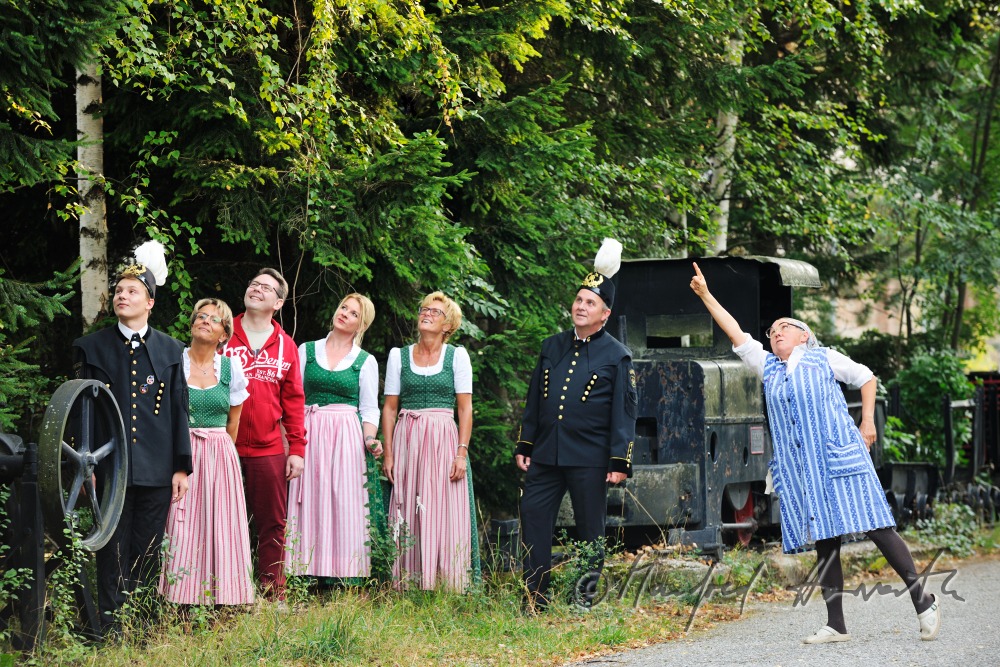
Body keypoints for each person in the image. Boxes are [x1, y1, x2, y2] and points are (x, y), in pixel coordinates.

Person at [688, 261, 942, 643]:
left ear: (805, 335)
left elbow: (866, 377)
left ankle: (924, 600)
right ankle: (836, 624)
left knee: (877, 526)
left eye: (783, 328)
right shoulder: (769, 367)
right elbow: (737, 332)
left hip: (841, 456)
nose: (775, 334)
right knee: (825, 538)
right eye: (771, 332)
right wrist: (706, 295)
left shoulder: (825, 358)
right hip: (804, 468)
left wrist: (868, 421)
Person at [71, 240, 191, 634]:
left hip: (157, 469)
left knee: (147, 548)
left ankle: (141, 624)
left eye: (132, 291)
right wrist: (82, 465)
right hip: (107, 469)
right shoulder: (92, 348)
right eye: (119, 291)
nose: (123, 296)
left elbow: (178, 411)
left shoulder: (172, 350)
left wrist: (181, 467)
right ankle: (109, 626)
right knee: (111, 547)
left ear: (150, 301)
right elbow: (79, 410)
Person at [516, 238, 637, 612]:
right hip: (547, 455)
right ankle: (535, 598)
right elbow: (535, 399)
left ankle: (582, 598)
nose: (581, 306)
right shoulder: (552, 346)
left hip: (590, 458)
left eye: (590, 303)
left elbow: (624, 412)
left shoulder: (617, 355)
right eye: (579, 300)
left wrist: (619, 461)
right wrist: (525, 444)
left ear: (605, 313)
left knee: (589, 529)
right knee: (534, 519)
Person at [286, 293, 388, 583]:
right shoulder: (307, 350)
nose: (344, 313)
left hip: (345, 435)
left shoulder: (364, 361)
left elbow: (369, 408)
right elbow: (293, 396)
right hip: (309, 429)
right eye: (343, 307)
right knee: (306, 498)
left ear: (361, 324)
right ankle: (301, 570)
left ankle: (345, 573)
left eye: (353, 313)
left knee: (344, 500)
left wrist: (370, 439)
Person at [160, 298, 254, 606]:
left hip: (218, 453)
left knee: (220, 524)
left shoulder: (231, 368)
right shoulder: (174, 361)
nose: (205, 321)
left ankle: (221, 596)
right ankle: (178, 597)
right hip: (179, 451)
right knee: (180, 523)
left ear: (224, 334)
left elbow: (234, 422)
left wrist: (222, 457)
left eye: (214, 319)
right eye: (201, 316)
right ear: (191, 324)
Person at [381, 291, 479, 591]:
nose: (426, 314)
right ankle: (408, 582)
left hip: (442, 439)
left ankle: (445, 582)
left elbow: (464, 408)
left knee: (443, 506)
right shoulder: (399, 355)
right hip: (408, 436)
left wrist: (461, 452)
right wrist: (388, 453)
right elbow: (390, 407)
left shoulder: (457, 356)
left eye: (435, 312)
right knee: (408, 504)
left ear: (448, 324)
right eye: (424, 309)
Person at [223, 268, 307, 600]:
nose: (256, 289)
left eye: (265, 287)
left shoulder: (286, 346)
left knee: (272, 524)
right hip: (223, 445)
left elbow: (294, 400)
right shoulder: (223, 334)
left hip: (268, 447)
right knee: (224, 519)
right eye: (253, 283)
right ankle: (226, 590)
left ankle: (273, 593)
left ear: (279, 302)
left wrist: (297, 448)